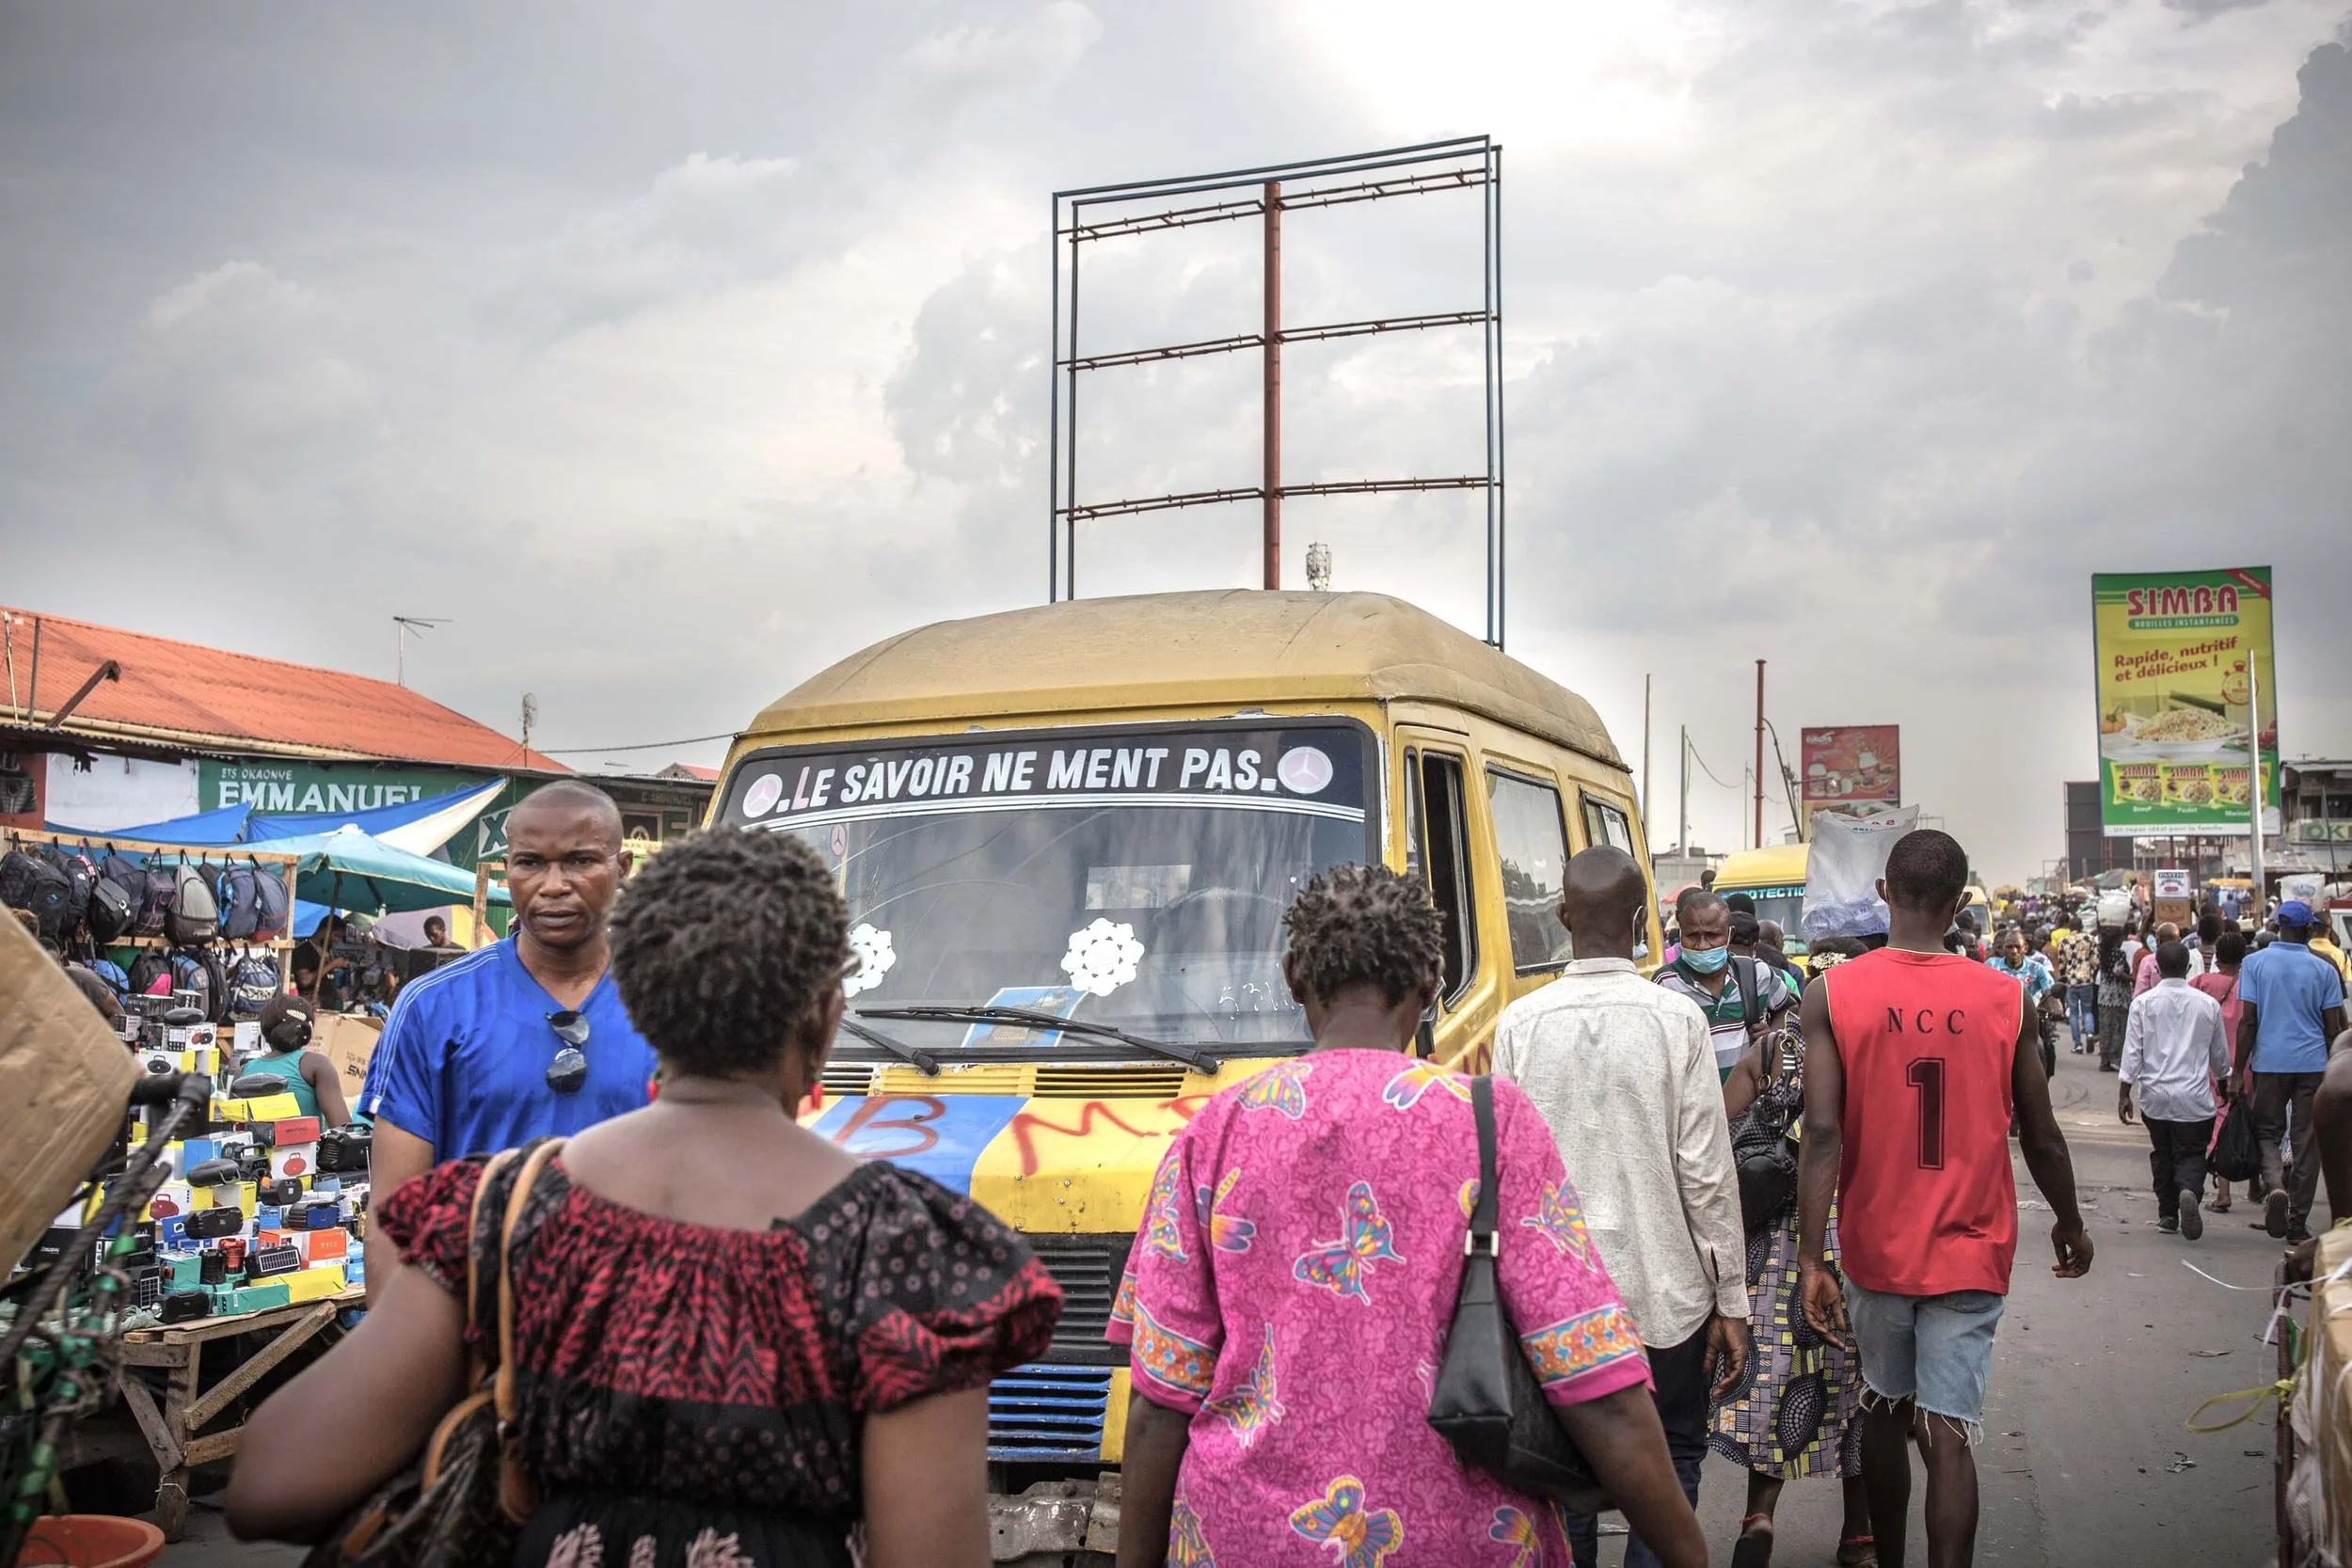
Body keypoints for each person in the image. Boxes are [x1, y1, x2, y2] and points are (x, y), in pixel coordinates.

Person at [229, 825, 1063, 1566]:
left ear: (639, 1001)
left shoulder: (505, 1209)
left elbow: (272, 1485)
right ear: (824, 1013)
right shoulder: (898, 1246)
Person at [1116, 863, 1708, 1568]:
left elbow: (1159, 1400)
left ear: (1293, 978)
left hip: (1243, 1540)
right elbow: (1592, 1377)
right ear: (1431, 981)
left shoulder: (1212, 1134)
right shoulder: (1491, 1124)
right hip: (1460, 1541)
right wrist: (1688, 1553)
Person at [1797, 829, 2091, 1568]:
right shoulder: (2007, 997)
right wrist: (2069, 1221)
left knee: (1883, 1408)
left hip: (1877, 1247)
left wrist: (1809, 1258)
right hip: (1972, 1246)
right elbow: (2042, 1133)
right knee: (1948, 1430)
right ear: (1960, 904)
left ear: (1883, 893)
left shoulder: (1832, 993)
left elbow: (1823, 1132)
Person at [1494, 847, 1746, 1568]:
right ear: (1643, 924)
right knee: (1673, 1457)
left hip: (1557, 1302)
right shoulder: (1678, 1020)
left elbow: (1506, 1175)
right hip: (1668, 1298)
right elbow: (1706, 1174)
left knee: (1566, 1470)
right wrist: (1731, 1297)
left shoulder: (1519, 1025)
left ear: (1562, 915)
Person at [357, 781, 660, 1299]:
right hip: (479, 1323)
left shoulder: (676, 1005)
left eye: (581, 861)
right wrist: (401, 1343)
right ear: (508, 870)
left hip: (638, 1325)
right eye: (531, 863)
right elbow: (393, 1222)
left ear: (623, 868)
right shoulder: (432, 1007)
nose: (554, 885)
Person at [1713, 939, 1877, 1568]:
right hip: (1855, 1231)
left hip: (1777, 1239)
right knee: (1862, 1380)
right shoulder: (1876, 1051)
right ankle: (1858, 1532)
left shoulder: (1773, 1050)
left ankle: (1758, 1516)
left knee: (1776, 1372)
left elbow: (1717, 1131)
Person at [2239, 900, 2351, 1243]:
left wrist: (2236, 1071)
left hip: (2270, 1062)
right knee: (2307, 1143)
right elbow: (2335, 1027)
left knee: (2267, 1132)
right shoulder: (2324, 968)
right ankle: (2297, 1222)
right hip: (2313, 1065)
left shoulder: (2254, 963)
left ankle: (2275, 1185)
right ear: (2306, 930)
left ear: (2278, 927)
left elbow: (2249, 1021)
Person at [2119, 942, 2233, 1240]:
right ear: (2188, 967)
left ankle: (2168, 1214)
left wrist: (2124, 1092)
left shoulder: (2143, 1004)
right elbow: (2220, 1055)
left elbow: (2132, 1052)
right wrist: (2224, 1083)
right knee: (2193, 1153)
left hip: (2155, 1096)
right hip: (2195, 1098)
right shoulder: (2208, 1005)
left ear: (2157, 968)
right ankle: (2189, 1189)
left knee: (2163, 1153)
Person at [1659, 887, 1801, 1083]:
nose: (1702, 945)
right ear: (1680, 932)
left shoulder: (1756, 974)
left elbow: (1790, 1008)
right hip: (1693, 1100)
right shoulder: (1664, 984)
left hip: (1751, 1099)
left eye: (1712, 935)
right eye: (1692, 936)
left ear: (1729, 934)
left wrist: (1773, 1035)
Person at [2191, 929, 2251, 1213]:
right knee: (2247, 1121)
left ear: (2217, 956)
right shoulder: (2251, 987)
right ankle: (2257, 1184)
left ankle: (2222, 1192)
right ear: (2243, 956)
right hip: (2246, 1065)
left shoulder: (2201, 983)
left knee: (2218, 1124)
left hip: (2209, 1065)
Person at [237, 992, 349, 1125]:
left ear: (264, 1032)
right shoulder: (316, 1064)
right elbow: (343, 1128)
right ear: (309, 1028)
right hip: (306, 1140)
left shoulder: (243, 1071)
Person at [1986, 926, 2059, 1082]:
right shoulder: (1992, 965)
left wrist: (2056, 1005)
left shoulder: (2037, 969)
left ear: (2025, 948)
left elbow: (2049, 991)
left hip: (2028, 1023)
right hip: (1998, 1022)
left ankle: (2041, 1087)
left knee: (2041, 1050)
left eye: (2017, 947)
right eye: (2009, 947)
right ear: (2002, 949)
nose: (2013, 951)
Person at [2049, 914, 2099, 1055]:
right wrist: (2091, 973)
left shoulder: (2064, 941)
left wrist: (2065, 976)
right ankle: (2090, 1033)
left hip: (2071, 981)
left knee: (2073, 1013)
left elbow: (2062, 963)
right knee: (2087, 1010)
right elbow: (2095, 961)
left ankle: (2078, 1045)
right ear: (2082, 926)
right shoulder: (2090, 939)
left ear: (2070, 927)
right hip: (2086, 980)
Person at [2095, 925, 2134, 1073]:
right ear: (2117, 939)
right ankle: (2115, 1059)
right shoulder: (2119, 954)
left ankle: (2104, 1060)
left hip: (2104, 994)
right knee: (2119, 1027)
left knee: (2105, 1028)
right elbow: (2118, 972)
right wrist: (2133, 979)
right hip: (2118, 995)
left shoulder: (2101, 953)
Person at [291, 914, 350, 1009]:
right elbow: (305, 981)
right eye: (336, 935)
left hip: (327, 1005)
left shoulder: (327, 950)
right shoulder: (304, 950)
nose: (336, 940)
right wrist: (332, 964)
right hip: (311, 1006)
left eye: (339, 937)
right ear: (325, 930)